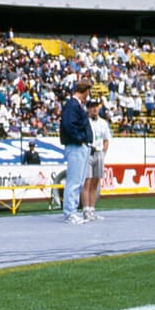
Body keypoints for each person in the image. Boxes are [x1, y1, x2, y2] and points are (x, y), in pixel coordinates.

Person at [58, 79, 94, 224]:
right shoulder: (72, 105)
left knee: (78, 181)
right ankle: (69, 213)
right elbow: (68, 126)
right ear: (86, 91)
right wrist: (80, 139)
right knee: (74, 180)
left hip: (80, 145)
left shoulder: (76, 105)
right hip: (76, 146)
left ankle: (72, 211)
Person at [82, 97, 111, 221]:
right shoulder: (85, 122)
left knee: (95, 182)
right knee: (87, 182)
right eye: (92, 106)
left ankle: (92, 209)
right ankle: (85, 210)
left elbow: (106, 140)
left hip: (99, 152)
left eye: (96, 106)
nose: (94, 109)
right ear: (88, 108)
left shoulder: (103, 123)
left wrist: (103, 153)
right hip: (88, 152)